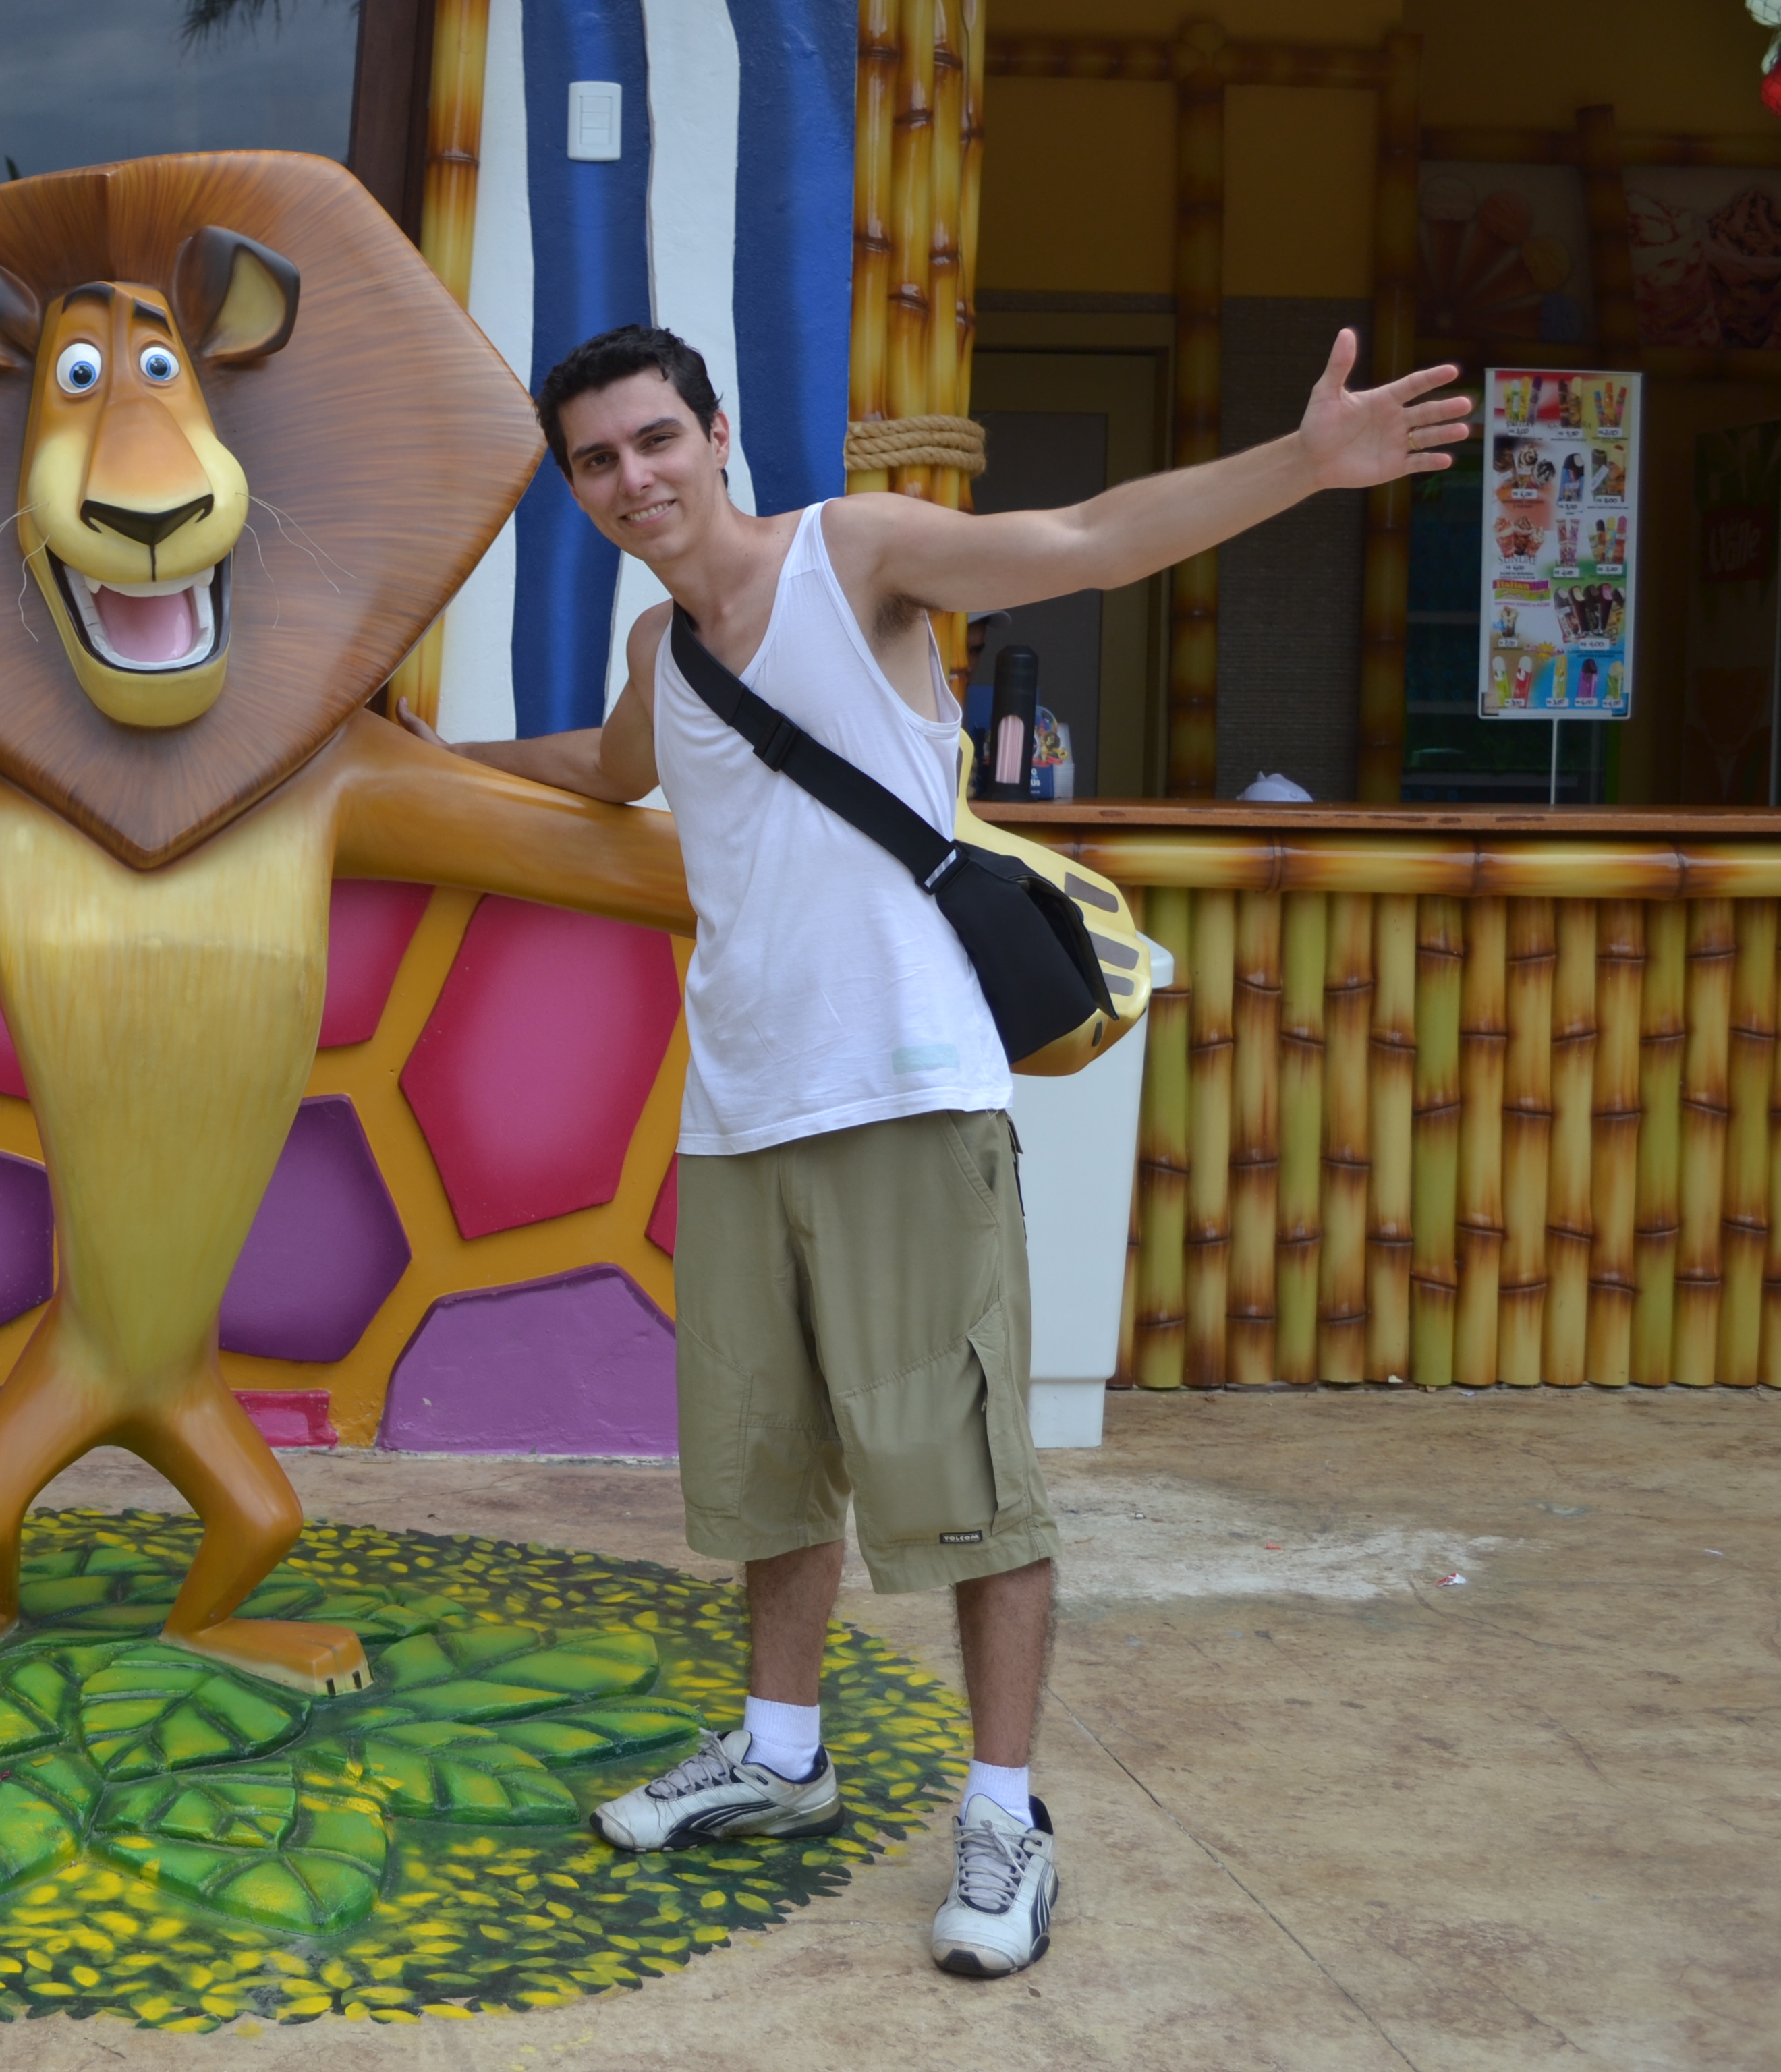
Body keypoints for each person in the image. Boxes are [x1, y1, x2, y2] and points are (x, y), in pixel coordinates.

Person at [400, 321, 1465, 1978]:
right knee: (766, 1461)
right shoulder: (658, 650)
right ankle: (779, 1755)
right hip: (739, 1114)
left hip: (902, 1096)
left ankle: (1005, 1812)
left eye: (656, 438)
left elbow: (1089, 540)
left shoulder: (857, 555)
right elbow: (603, 775)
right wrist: (416, 760)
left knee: (966, 1478)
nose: (633, 477)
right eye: (597, 459)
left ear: (715, 434)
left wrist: (1305, 463)